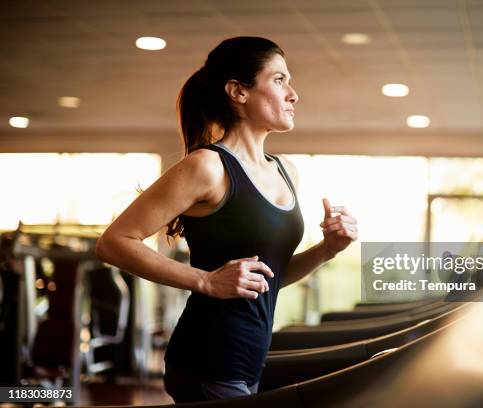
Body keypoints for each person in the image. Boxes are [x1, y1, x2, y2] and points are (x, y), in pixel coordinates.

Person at [95, 36, 358, 402]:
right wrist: (205, 281)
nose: (293, 94)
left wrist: (327, 250)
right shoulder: (208, 167)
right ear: (238, 91)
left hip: (250, 360)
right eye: (279, 80)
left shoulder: (286, 172)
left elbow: (269, 279)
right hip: (208, 359)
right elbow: (114, 242)